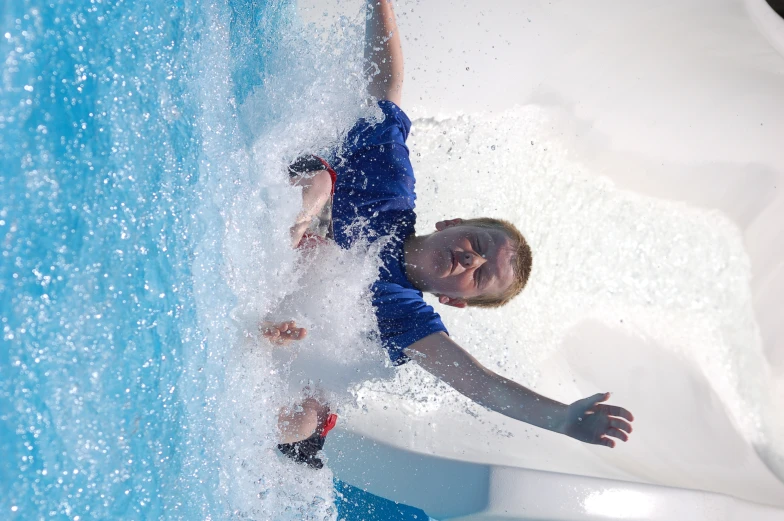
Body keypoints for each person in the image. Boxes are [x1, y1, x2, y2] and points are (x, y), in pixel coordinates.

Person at [265, 0, 633, 468]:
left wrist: (560, 418)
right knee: (318, 182)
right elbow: (385, 88)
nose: (469, 261)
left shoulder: (404, 317)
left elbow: (479, 383)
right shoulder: (390, 187)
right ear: (450, 225)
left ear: (455, 302)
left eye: (479, 278)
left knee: (302, 421)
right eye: (477, 246)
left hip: (285, 340)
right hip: (278, 225)